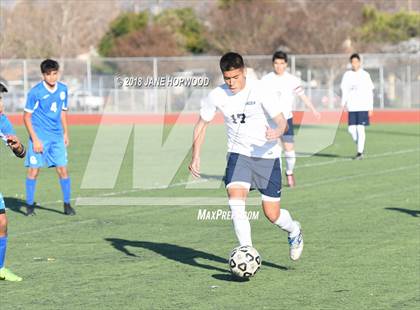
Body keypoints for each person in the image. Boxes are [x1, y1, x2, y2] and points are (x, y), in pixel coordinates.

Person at [188, 52, 303, 261]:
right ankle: (247, 252)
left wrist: (276, 132)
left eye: (235, 78)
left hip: (266, 157)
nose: (231, 83)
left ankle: (294, 231)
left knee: (272, 214)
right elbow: (201, 125)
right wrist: (195, 156)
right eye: (227, 78)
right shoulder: (217, 95)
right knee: (235, 203)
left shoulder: (260, 90)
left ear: (243, 72)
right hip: (238, 156)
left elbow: (281, 121)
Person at [23, 59, 75, 216]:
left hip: (57, 137)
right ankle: (30, 206)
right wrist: (35, 139)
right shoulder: (35, 92)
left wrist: (66, 133)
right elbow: (26, 117)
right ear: (43, 75)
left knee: (63, 170)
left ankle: (67, 205)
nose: (52, 77)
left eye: (54, 74)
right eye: (48, 74)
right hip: (40, 137)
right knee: (34, 171)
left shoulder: (63, 89)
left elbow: (63, 112)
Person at [261, 51, 320, 187]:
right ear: (273, 64)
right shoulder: (266, 80)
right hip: (270, 120)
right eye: (276, 63)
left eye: (282, 63)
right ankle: (273, 176)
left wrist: (313, 109)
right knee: (272, 150)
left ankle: (289, 172)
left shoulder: (292, 79)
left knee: (289, 150)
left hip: (286, 119)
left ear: (286, 64)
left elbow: (302, 96)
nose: (279, 66)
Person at [0, 81, 25, 281]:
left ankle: (0, 268)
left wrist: (17, 146)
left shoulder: (2, 121)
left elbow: (21, 153)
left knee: (1, 222)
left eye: (1, 98)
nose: (1, 103)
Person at [340, 53, 374, 160]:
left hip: (363, 106)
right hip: (352, 106)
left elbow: (370, 92)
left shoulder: (365, 75)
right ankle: (360, 146)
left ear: (359, 62)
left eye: (356, 62)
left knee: (360, 129)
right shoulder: (347, 75)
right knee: (351, 129)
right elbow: (344, 91)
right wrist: (343, 103)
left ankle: (359, 152)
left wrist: (370, 107)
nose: (354, 64)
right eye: (352, 62)